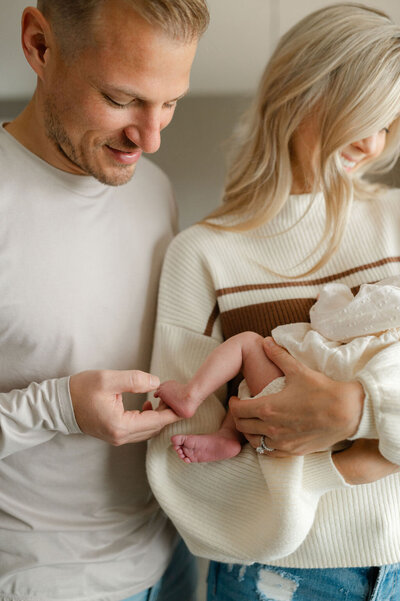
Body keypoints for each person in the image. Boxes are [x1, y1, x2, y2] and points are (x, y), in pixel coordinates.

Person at [147, 4, 400, 600]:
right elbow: (183, 473)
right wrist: (330, 468)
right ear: (299, 94)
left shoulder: (395, 221)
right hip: (285, 578)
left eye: (386, 122)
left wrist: (356, 411)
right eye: (360, 115)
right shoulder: (203, 256)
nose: (370, 141)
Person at [0, 1, 209, 600]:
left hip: (167, 554)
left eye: (170, 102)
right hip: (47, 580)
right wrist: (58, 407)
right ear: (39, 45)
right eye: (122, 100)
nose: (152, 138)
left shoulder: (153, 188)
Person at [155, 276, 400, 472]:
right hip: (364, 439)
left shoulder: (393, 296)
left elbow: (333, 323)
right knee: (252, 384)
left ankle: (191, 396)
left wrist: (333, 296)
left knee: (248, 345)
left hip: (296, 399)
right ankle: (228, 435)